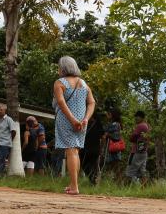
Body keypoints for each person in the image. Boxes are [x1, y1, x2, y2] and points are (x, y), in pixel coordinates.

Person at [53, 56, 95, 195]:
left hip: (67, 120)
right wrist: (86, 119)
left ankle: (75, 187)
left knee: (70, 151)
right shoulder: (83, 83)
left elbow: (61, 103)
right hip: (81, 122)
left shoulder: (60, 83)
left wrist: (72, 120)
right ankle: (72, 184)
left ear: (63, 68)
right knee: (75, 151)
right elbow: (92, 102)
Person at [126, 110, 150, 185]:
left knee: (130, 171)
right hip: (144, 152)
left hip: (136, 152)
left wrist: (130, 135)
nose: (136, 118)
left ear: (141, 118)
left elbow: (132, 138)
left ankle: (125, 188)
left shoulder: (140, 126)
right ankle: (144, 189)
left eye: (137, 117)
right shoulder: (147, 126)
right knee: (142, 171)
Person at [82, 111, 105, 185]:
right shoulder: (99, 125)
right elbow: (103, 137)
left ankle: (92, 178)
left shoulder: (86, 124)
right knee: (92, 165)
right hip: (96, 149)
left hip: (87, 149)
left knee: (84, 164)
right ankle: (93, 179)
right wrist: (101, 149)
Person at [103, 109, 125, 183]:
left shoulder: (115, 124)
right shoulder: (114, 124)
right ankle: (116, 182)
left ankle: (118, 182)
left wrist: (107, 135)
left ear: (112, 115)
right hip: (112, 148)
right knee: (114, 166)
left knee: (115, 166)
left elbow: (116, 137)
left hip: (113, 148)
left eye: (109, 114)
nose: (107, 115)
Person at [0, 105, 16, 177]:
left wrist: (10, 140)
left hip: (5, 144)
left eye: (1, 110)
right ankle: (1, 175)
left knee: (1, 159)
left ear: (5, 110)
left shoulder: (8, 119)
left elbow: (13, 131)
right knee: (0, 160)